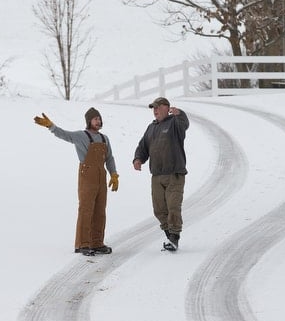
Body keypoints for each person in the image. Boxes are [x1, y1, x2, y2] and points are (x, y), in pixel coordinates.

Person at [34, 107, 119, 256]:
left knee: (100, 210)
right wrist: (50, 126)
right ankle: (83, 244)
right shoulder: (81, 136)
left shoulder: (105, 138)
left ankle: (97, 243)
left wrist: (114, 174)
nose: (98, 121)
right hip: (87, 176)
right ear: (89, 121)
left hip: (101, 176)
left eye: (99, 119)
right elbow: (64, 134)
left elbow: (109, 158)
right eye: (95, 119)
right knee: (86, 210)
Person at [132, 97, 189, 251]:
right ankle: (169, 235)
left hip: (174, 174)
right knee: (159, 209)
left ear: (167, 108)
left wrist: (180, 114)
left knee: (173, 206)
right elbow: (143, 146)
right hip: (156, 175)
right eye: (153, 108)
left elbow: (185, 124)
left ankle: (174, 237)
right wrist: (138, 159)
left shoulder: (174, 123)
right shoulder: (151, 127)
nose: (155, 110)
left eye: (158, 107)